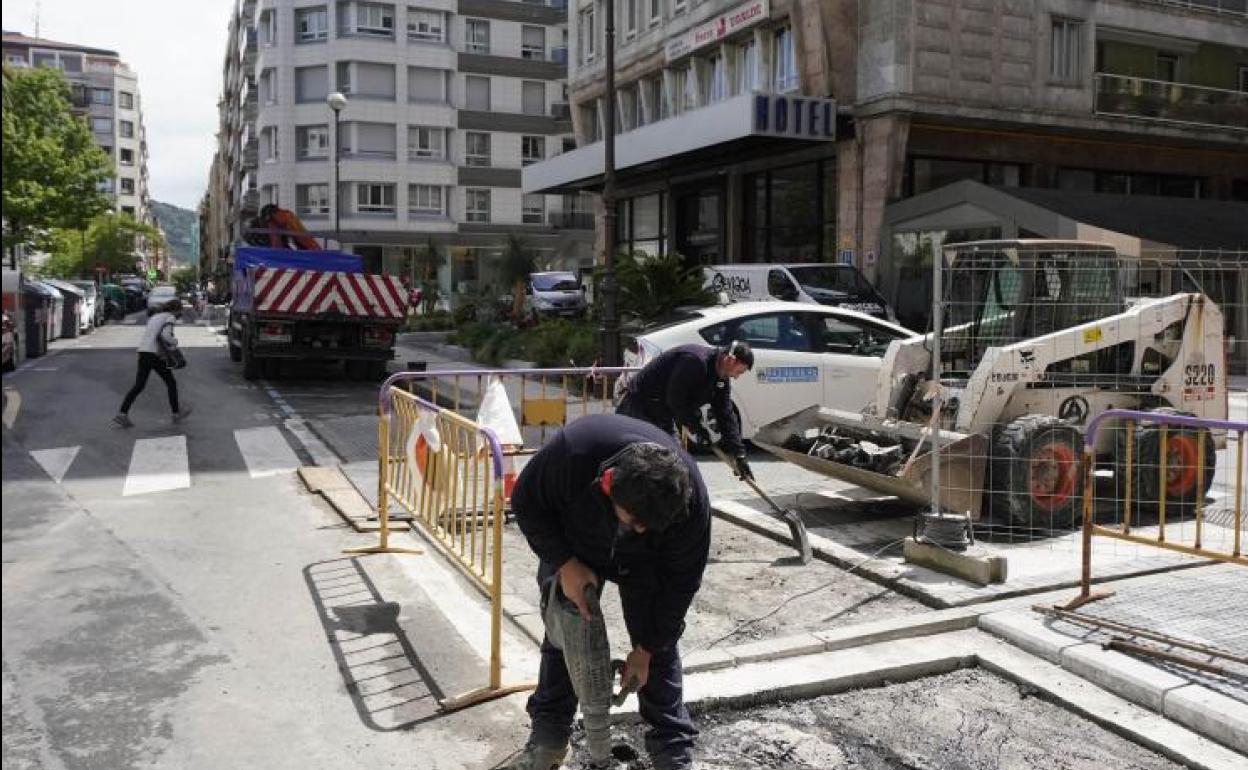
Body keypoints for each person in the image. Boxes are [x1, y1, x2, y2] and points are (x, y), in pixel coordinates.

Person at [501, 414, 711, 770]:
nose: (639, 529)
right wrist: (565, 564)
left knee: (659, 647)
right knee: (567, 630)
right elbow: (526, 502)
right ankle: (550, 738)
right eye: (633, 520)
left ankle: (672, 753)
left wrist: (645, 650)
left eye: (648, 525)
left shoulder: (688, 504)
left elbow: (679, 587)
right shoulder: (575, 453)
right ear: (608, 482)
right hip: (578, 542)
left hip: (648, 564)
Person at [616, 340, 755, 481]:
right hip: (639, 406)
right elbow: (676, 401)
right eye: (738, 372)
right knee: (642, 463)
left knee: (675, 463)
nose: (736, 376)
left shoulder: (721, 377)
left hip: (662, 411)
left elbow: (725, 413)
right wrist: (698, 429)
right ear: (730, 360)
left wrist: (739, 455)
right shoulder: (695, 361)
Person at [113, 299, 191, 427]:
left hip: (143, 352)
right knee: (171, 383)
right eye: (180, 310)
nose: (180, 313)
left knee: (139, 385)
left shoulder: (155, 317)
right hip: (155, 354)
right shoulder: (170, 317)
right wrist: (174, 342)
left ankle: (122, 413)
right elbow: (166, 335)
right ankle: (176, 413)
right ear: (176, 310)